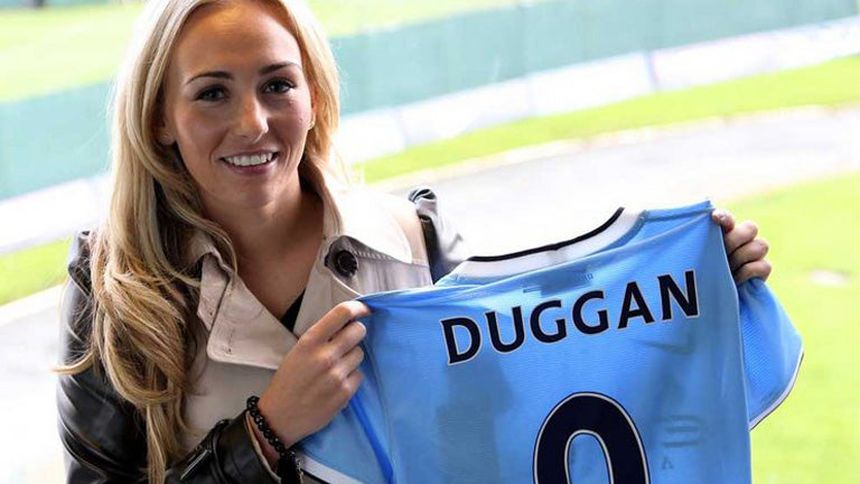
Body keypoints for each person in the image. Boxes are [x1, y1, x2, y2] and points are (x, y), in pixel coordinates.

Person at [55, 0, 773, 482]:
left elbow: (529, 410)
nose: (253, 123)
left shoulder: (417, 242)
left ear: (315, 97)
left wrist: (700, 289)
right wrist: (266, 434)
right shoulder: (114, 284)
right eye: (212, 92)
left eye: (278, 85)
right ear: (159, 117)